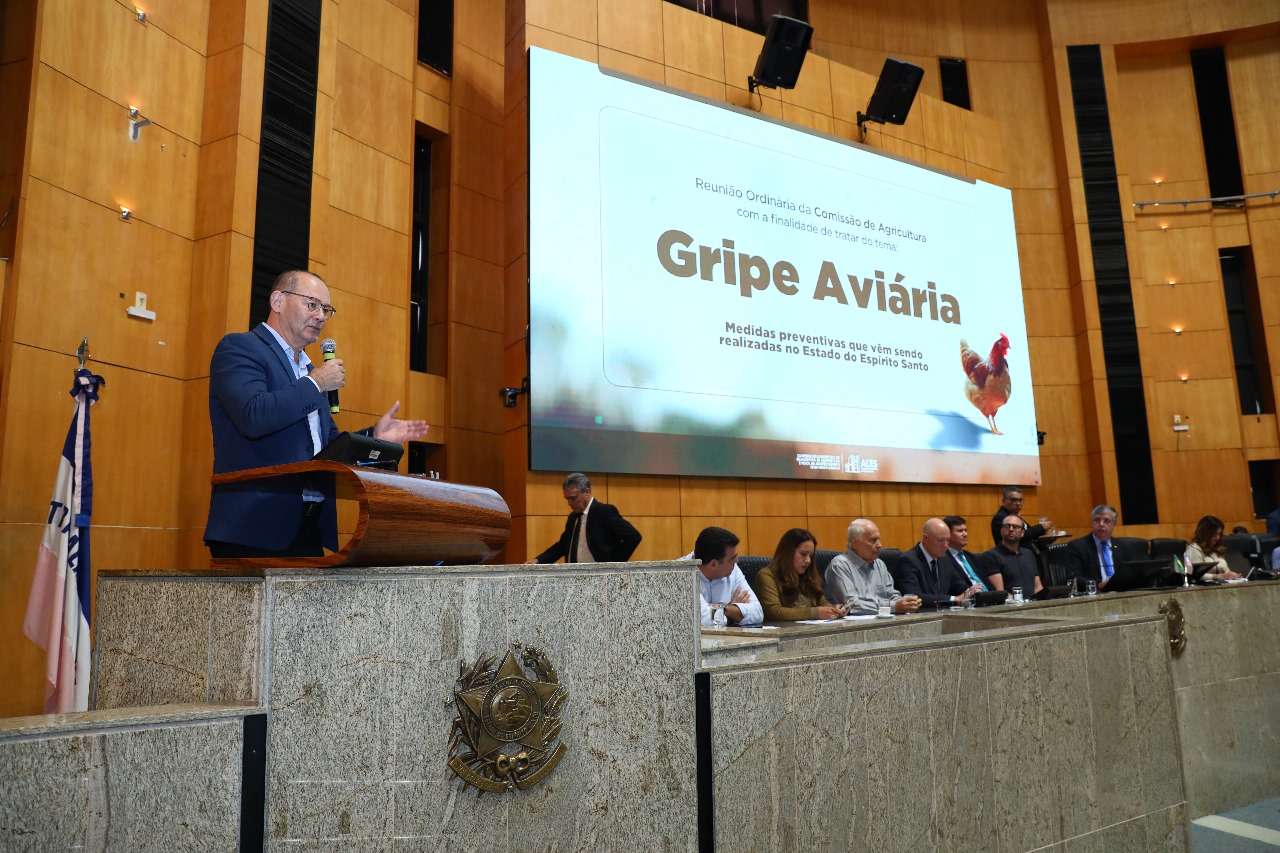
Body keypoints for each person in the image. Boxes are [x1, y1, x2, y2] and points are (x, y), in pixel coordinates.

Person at [204, 270, 429, 557]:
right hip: (253, 527)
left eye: (326, 309)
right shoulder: (240, 348)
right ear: (278, 301)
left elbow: (327, 447)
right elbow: (253, 415)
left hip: (307, 526)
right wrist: (316, 383)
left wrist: (374, 437)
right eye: (312, 304)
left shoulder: (309, 372)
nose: (321, 316)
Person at [533, 473, 642, 563]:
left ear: (587, 492)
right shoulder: (573, 517)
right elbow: (563, 546)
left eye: (573, 498)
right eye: (567, 499)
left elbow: (633, 536)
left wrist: (614, 564)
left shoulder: (604, 512)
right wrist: (538, 561)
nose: (569, 503)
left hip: (600, 577)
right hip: (572, 576)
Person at [824, 519, 922, 616]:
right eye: (873, 540)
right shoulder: (840, 565)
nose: (879, 545)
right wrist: (893, 606)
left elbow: (891, 595)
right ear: (855, 543)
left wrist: (907, 603)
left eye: (879, 539)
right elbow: (851, 606)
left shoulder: (879, 564)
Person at [753, 529, 847, 621]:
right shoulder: (767, 576)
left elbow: (822, 602)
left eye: (811, 556)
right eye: (803, 554)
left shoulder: (809, 575)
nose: (808, 560)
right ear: (788, 553)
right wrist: (815, 613)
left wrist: (834, 609)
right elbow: (775, 612)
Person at [893, 518, 981, 608]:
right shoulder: (908, 561)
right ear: (925, 538)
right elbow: (913, 597)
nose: (945, 545)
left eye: (947, 540)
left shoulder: (944, 559)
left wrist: (971, 591)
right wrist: (954, 599)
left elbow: (958, 585)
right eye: (940, 540)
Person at [695, 526, 762, 627]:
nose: (736, 561)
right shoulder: (682, 573)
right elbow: (706, 621)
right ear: (713, 564)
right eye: (732, 559)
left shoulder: (733, 569)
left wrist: (725, 608)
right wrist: (734, 615)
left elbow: (758, 613)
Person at [1059, 504, 1123, 589]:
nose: (1101, 524)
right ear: (1092, 522)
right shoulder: (1077, 546)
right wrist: (1097, 585)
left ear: (1114, 524)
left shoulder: (1122, 545)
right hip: (1094, 593)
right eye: (1097, 520)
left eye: (1106, 520)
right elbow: (1073, 578)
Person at [982, 513, 1043, 596]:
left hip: (1033, 602)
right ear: (1001, 531)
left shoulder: (1029, 554)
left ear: (1022, 533)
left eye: (1015, 527)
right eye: (1007, 526)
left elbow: (1038, 587)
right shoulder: (990, 556)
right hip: (1010, 603)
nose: (1011, 529)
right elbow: (1000, 591)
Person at [1185, 515, 1242, 581]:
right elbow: (1194, 574)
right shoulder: (1194, 549)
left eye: (1219, 534)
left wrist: (1232, 575)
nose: (1218, 537)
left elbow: (1225, 571)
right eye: (1214, 534)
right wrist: (1217, 576)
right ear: (1205, 533)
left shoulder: (1217, 549)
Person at [943, 515, 991, 591]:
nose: (965, 534)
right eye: (960, 531)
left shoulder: (971, 557)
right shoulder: (943, 558)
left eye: (965, 530)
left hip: (987, 595)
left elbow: (987, 582)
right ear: (948, 534)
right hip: (967, 595)